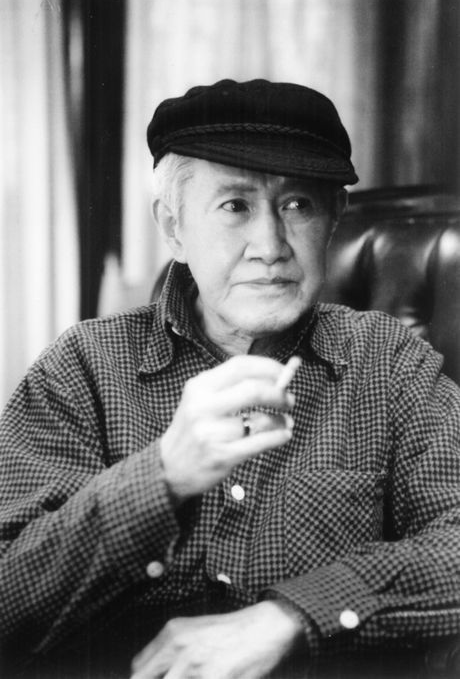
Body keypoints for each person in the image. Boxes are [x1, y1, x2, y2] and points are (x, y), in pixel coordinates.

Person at [1, 78, 459, 679]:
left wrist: (291, 615)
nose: (270, 246)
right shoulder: (81, 367)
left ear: (334, 220)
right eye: (235, 206)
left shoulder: (390, 362)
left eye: (298, 205)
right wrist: (161, 476)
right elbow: (9, 601)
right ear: (174, 227)